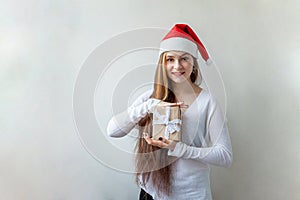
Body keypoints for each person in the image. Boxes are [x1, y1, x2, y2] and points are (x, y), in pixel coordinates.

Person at [107, 24, 233, 200]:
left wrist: (181, 149)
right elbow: (112, 131)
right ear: (162, 63)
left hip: (192, 195)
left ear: (194, 63)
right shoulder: (149, 97)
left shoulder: (207, 102)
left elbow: (225, 156)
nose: (177, 66)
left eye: (184, 59)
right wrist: (150, 106)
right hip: (151, 193)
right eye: (170, 59)